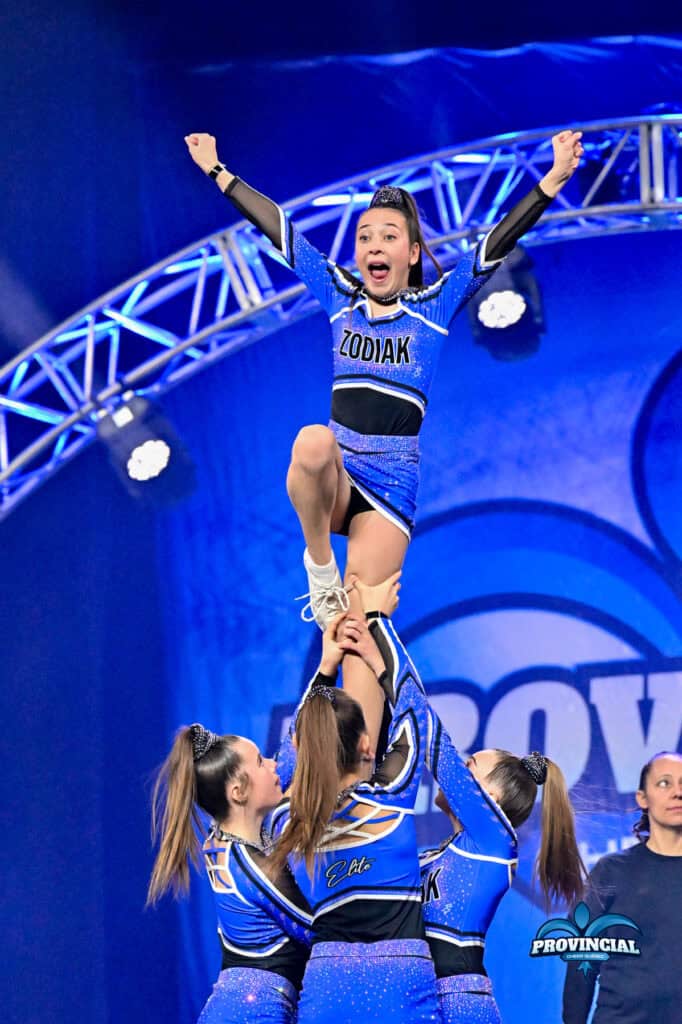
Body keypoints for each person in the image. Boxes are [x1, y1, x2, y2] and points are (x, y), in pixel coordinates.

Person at [184, 127, 584, 744]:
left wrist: (553, 179)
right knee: (312, 443)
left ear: (414, 254)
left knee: (362, 626)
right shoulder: (338, 295)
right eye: (365, 236)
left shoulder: (436, 305)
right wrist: (219, 172)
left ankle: (361, 762)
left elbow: (498, 243)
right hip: (339, 478)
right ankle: (320, 571)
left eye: (388, 238)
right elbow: (278, 229)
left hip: (390, 492)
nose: (373, 245)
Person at [147, 724, 314, 1024]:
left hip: (235, 1009)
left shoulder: (222, 836)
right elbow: (314, 931)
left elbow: (289, 756)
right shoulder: (252, 867)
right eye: (262, 762)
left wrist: (324, 679)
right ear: (237, 792)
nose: (274, 764)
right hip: (252, 1015)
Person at [420, 747, 584, 1024]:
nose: (456, 772)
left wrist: (410, 711)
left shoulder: (494, 843)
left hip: (458, 1003)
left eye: (468, 766)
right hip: (418, 996)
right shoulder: (432, 855)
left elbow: (438, 752)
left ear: (490, 800)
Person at [562, 751, 682, 1024]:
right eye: (664, 783)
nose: (677, 793)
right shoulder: (611, 871)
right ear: (642, 798)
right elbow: (582, 962)